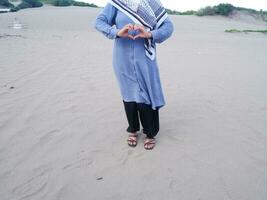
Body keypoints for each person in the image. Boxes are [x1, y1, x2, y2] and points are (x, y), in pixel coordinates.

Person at [94, 0, 174, 150]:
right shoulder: (117, 3)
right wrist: (116, 32)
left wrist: (150, 34)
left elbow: (168, 27)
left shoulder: (152, 3)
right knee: (128, 93)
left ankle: (150, 133)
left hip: (145, 59)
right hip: (121, 58)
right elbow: (99, 21)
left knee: (146, 94)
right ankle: (133, 129)